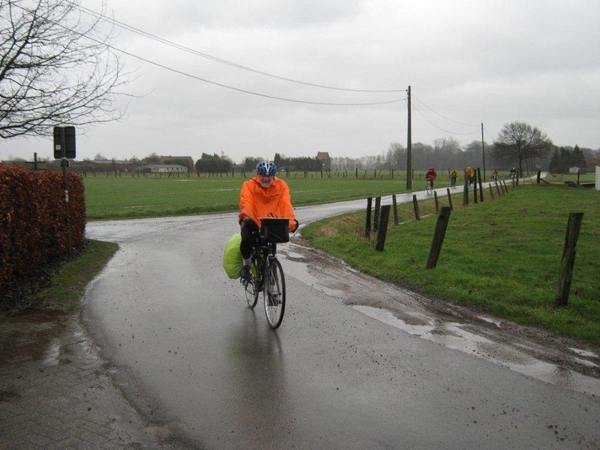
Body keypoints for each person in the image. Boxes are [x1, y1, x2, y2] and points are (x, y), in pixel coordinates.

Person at [238, 160, 298, 280]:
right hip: (253, 221)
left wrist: (291, 223)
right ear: (257, 175)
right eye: (263, 175)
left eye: (269, 176)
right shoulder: (249, 185)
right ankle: (247, 265)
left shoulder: (281, 186)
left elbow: (285, 205)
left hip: (270, 223)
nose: (266, 179)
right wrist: (250, 218)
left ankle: (269, 276)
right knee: (246, 240)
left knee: (270, 248)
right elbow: (246, 203)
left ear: (273, 176)